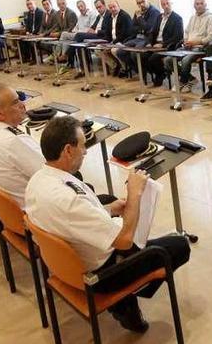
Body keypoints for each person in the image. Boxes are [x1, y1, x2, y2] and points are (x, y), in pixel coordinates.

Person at [25, 116, 191, 334]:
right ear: (67, 150)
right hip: (102, 273)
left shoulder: (37, 181)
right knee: (179, 246)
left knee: (110, 204)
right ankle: (123, 301)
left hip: (68, 262)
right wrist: (135, 196)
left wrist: (110, 209)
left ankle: (125, 302)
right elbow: (124, 240)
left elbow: (74, 218)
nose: (85, 151)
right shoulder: (69, 198)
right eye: (82, 145)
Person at [0, 83, 43, 207]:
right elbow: (47, 172)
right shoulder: (12, 141)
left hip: (9, 207)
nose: (23, 105)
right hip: (34, 207)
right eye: (16, 102)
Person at [163, 0, 212, 91]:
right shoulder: (192, 17)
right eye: (197, 4)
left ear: (205, 4)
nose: (199, 6)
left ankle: (183, 81)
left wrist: (197, 42)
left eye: (201, 3)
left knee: (185, 61)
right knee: (168, 60)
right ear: (194, 6)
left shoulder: (211, 18)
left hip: (200, 48)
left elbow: (211, 37)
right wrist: (186, 40)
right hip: (188, 46)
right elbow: (186, 31)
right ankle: (190, 79)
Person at [115, 0, 160, 77]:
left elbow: (148, 28)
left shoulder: (154, 12)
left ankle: (145, 72)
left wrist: (139, 18)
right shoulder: (138, 12)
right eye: (138, 3)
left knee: (134, 53)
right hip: (137, 38)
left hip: (147, 39)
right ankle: (139, 71)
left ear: (147, 0)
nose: (141, 5)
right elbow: (132, 28)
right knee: (120, 52)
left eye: (143, 1)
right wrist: (141, 28)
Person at [146, 0, 184, 86]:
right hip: (156, 44)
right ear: (161, 6)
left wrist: (162, 44)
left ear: (171, 4)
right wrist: (149, 43)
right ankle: (162, 72)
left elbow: (178, 37)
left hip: (168, 46)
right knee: (142, 56)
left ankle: (160, 74)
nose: (166, 6)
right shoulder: (159, 17)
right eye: (163, 4)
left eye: (168, 3)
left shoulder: (177, 18)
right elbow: (153, 32)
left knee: (153, 58)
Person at [66, 0, 110, 73]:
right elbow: (93, 26)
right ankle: (85, 69)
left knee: (79, 35)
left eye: (100, 7)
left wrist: (95, 31)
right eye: (97, 8)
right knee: (80, 45)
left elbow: (107, 31)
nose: (98, 9)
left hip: (102, 36)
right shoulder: (99, 16)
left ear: (104, 5)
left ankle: (68, 55)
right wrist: (91, 29)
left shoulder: (109, 14)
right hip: (96, 35)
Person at [55, 0, 97, 72]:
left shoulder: (92, 14)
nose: (80, 8)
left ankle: (60, 55)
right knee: (66, 36)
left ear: (85, 5)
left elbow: (92, 29)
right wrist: (73, 31)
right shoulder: (80, 16)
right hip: (78, 35)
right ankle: (63, 58)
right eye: (78, 7)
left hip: (87, 35)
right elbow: (76, 27)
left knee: (65, 34)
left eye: (81, 6)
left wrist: (78, 32)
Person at [96, 0, 133, 76]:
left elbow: (125, 34)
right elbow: (107, 33)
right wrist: (105, 43)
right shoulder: (110, 17)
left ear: (118, 6)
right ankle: (114, 66)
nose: (113, 9)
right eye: (110, 8)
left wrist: (113, 43)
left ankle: (125, 68)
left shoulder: (124, 16)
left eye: (114, 7)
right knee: (98, 49)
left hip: (124, 41)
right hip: (113, 41)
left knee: (114, 50)